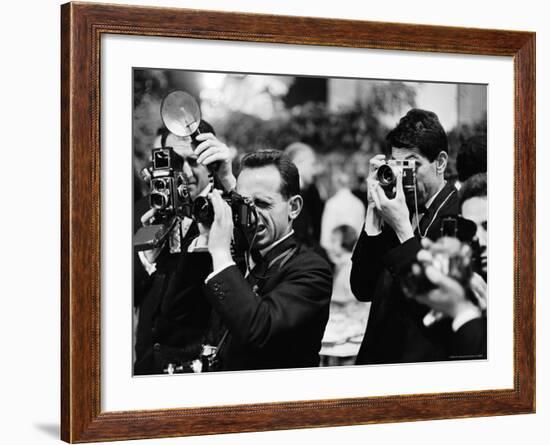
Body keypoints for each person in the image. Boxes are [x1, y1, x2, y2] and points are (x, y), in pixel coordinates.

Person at [165, 150, 333, 371]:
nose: (250, 213)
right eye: (243, 203)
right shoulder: (237, 257)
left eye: (262, 204)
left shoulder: (312, 269)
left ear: (294, 207)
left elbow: (259, 330)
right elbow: (177, 317)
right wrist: (205, 240)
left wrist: (221, 254)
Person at [350, 108, 460, 365]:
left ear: (440, 162)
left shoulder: (458, 214)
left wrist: (403, 229)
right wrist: (373, 214)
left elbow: (442, 304)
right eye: (398, 166)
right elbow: (362, 288)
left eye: (413, 165)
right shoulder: (395, 207)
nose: (404, 176)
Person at [133, 121, 235, 375]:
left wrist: (229, 181)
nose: (186, 173)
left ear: (209, 162)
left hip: (196, 367)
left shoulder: (225, 210)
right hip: (146, 363)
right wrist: (147, 258)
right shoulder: (147, 209)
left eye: (194, 161)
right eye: (176, 162)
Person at [284, 142, 325, 249]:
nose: (314, 171)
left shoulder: (311, 192)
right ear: (299, 162)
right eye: (312, 164)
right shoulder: (286, 195)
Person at [320, 172, 365, 253]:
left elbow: (325, 235)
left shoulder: (331, 203)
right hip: (355, 252)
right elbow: (362, 232)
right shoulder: (358, 203)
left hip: (336, 253)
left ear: (336, 184)